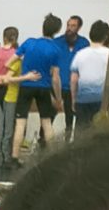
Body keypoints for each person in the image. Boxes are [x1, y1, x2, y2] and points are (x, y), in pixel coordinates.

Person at [13, 15, 73, 161]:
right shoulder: (55, 49)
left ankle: (14, 157)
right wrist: (58, 98)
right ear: (57, 30)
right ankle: (52, 157)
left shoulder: (30, 43)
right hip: (44, 87)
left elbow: (14, 59)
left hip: (26, 85)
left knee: (20, 123)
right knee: (46, 123)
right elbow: (55, 77)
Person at [73, 18, 109, 134]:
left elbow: (74, 79)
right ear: (106, 37)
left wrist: (73, 99)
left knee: (80, 131)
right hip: (101, 99)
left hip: (82, 98)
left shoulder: (81, 54)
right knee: (98, 133)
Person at [0, 24, 24, 167]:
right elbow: (8, 77)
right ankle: (7, 157)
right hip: (10, 93)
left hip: (0, 90)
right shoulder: (17, 56)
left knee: (8, 127)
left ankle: (8, 156)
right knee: (10, 127)